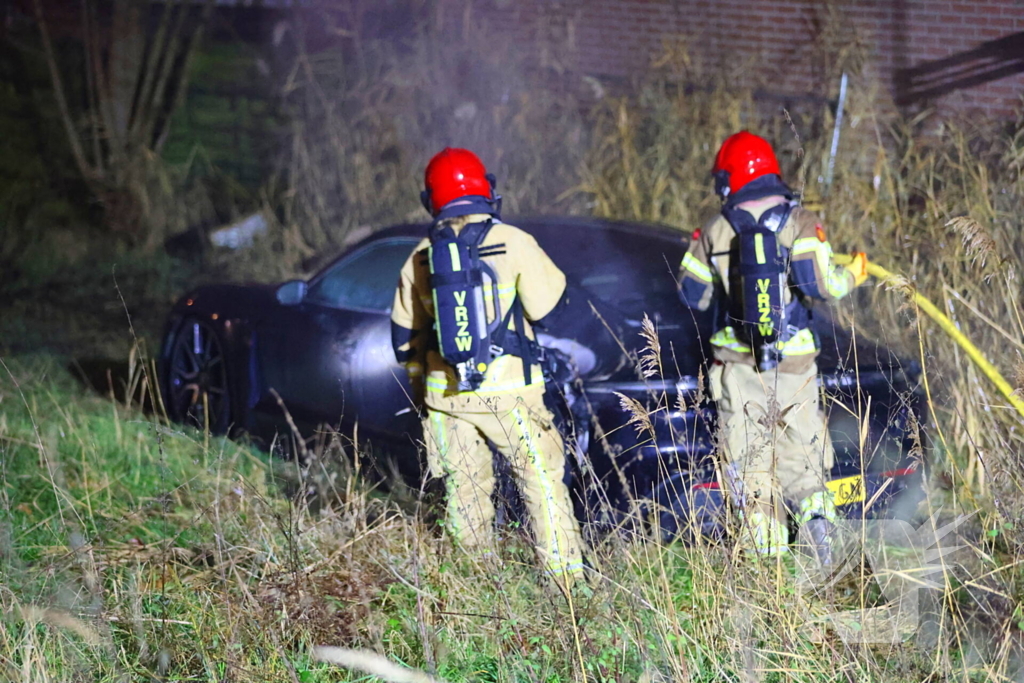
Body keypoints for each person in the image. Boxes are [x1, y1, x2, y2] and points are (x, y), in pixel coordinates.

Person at [391, 147, 585, 588]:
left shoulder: (420, 256)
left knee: (464, 496)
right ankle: (569, 589)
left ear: (432, 199)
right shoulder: (514, 242)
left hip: (447, 400)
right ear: (486, 190)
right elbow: (553, 311)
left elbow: (404, 340)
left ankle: (474, 589)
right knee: (541, 485)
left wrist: (426, 393)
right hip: (512, 396)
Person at [678, 131, 869, 560]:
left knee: (748, 461)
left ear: (730, 179)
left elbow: (692, 296)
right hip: (795, 362)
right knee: (804, 455)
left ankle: (765, 565)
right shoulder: (800, 221)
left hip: (736, 363)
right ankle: (823, 546)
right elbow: (821, 286)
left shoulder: (716, 227)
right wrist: (855, 273)